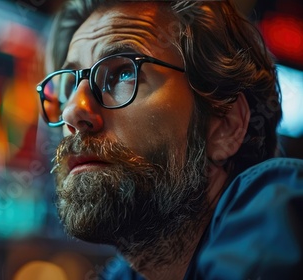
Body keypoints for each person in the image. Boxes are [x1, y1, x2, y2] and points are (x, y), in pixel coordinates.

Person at [35, 0, 303, 279]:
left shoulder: (281, 212)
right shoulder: (127, 274)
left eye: (124, 73)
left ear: (226, 126)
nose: (72, 110)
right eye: (69, 87)